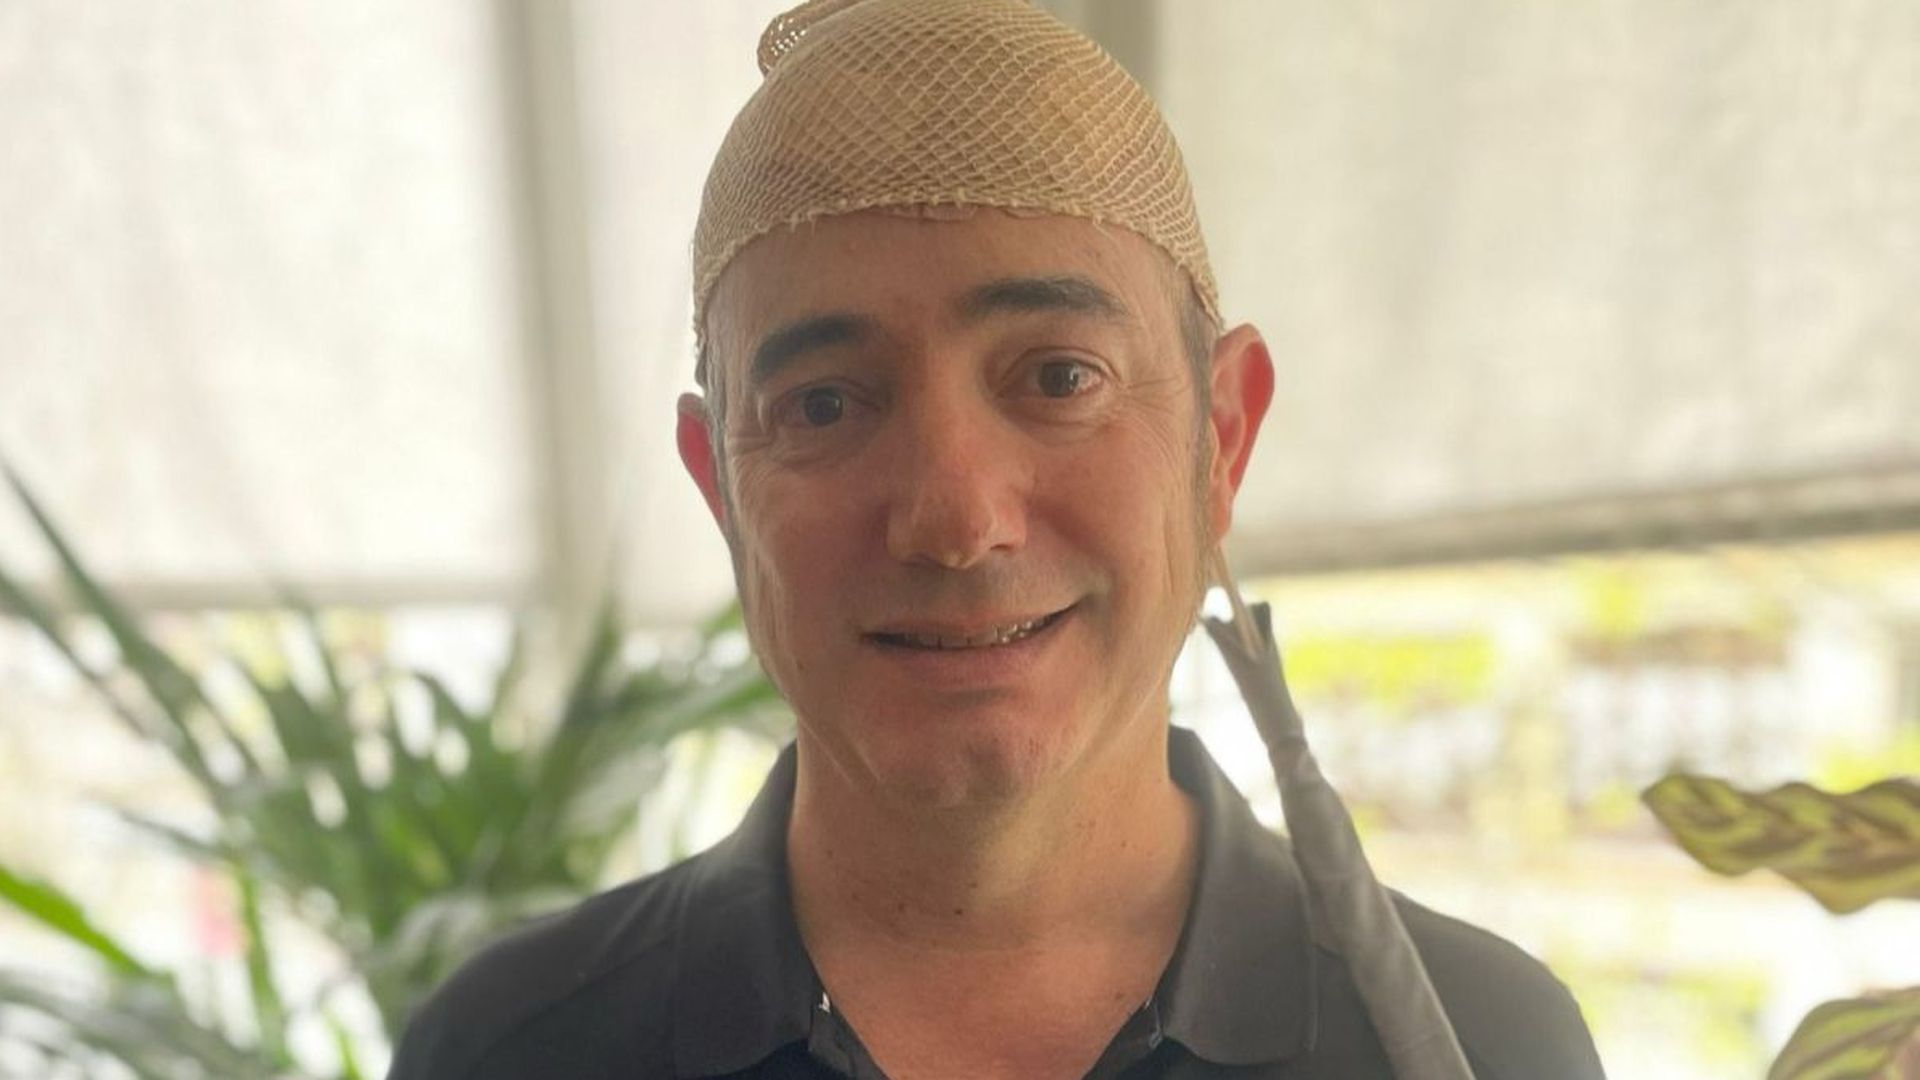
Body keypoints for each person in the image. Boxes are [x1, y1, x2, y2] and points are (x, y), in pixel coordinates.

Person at [388, 1, 1607, 1077]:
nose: (956, 522)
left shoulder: (1483, 1045)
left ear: (1220, 441)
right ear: (720, 489)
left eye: (1059, 377)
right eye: (825, 404)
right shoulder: (508, 1051)